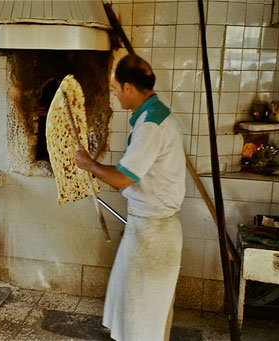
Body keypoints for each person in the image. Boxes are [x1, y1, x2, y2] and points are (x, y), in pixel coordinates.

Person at [75, 54, 185, 341]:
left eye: (114, 88)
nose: (113, 94)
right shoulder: (153, 115)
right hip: (150, 227)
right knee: (141, 308)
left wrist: (90, 165)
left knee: (142, 313)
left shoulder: (151, 125)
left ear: (128, 87)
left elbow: (124, 176)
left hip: (154, 233)